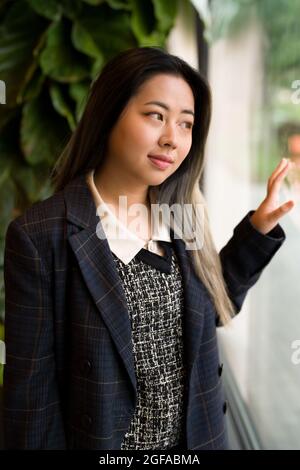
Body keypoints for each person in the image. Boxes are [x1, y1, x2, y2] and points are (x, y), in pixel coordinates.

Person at [2, 46, 294, 450]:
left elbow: (208, 312)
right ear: (109, 114)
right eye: (155, 116)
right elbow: (32, 403)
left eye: (186, 124)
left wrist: (258, 230)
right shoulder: (40, 237)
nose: (172, 139)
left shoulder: (180, 215)